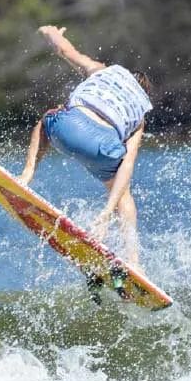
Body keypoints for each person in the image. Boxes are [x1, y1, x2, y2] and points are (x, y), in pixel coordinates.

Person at [16, 25, 153, 268]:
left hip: (67, 130)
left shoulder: (102, 71)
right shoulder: (139, 115)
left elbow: (65, 50)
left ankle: (26, 176)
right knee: (124, 195)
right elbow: (128, 164)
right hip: (102, 150)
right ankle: (133, 260)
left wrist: (50, 32)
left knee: (49, 116)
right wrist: (107, 211)